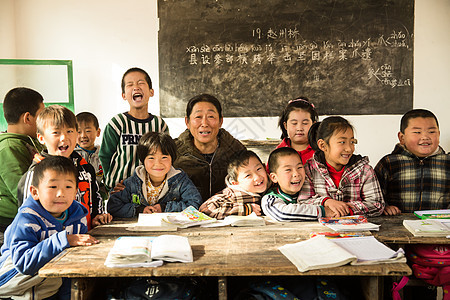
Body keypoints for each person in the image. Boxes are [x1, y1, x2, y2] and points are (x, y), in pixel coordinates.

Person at [0, 156, 99, 299]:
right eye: (53, 187)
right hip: (15, 287)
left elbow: (72, 269)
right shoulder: (27, 219)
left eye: (68, 187)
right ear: (35, 192)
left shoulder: (78, 216)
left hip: (50, 289)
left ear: (76, 191)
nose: (61, 193)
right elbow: (23, 263)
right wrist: (63, 240)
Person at [17, 105, 112, 229]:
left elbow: (94, 196)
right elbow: (27, 217)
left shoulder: (85, 167)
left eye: (70, 131)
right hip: (49, 243)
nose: (64, 137)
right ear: (41, 138)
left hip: (85, 239)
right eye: (56, 132)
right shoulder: (36, 172)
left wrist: (97, 216)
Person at [99, 67, 169, 192]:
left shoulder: (159, 125)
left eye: (141, 83)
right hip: (120, 190)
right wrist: (112, 181)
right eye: (130, 84)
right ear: (124, 95)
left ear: (151, 92)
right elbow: (105, 156)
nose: (136, 87)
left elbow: (166, 156)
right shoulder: (117, 123)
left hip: (150, 192)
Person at [298, 116, 385, 217]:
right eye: (342, 142)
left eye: (352, 142)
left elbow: (377, 204)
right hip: (320, 230)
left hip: (357, 229)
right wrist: (326, 202)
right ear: (323, 145)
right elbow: (302, 202)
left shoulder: (365, 170)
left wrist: (347, 209)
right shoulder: (309, 170)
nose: (349, 148)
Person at [107, 132, 202, 218]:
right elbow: (113, 206)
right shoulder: (132, 183)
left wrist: (165, 208)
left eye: (164, 157)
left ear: (172, 159)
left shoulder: (180, 180)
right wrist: (138, 210)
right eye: (151, 158)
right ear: (142, 160)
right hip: (139, 231)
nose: (158, 163)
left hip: (172, 230)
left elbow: (195, 204)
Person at [375, 109, 450, 215]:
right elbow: (374, 197)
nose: (425, 137)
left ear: (438, 134)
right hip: (397, 226)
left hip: (439, 227)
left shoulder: (447, 163)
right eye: (417, 132)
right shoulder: (389, 163)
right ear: (402, 137)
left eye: (432, 132)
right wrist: (385, 207)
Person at [174, 94, 246, 202]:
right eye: (198, 117)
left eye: (211, 117)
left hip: (227, 214)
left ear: (220, 121)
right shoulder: (174, 152)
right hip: (185, 215)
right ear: (187, 122)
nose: (204, 123)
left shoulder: (236, 151)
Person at [0, 87, 45, 233]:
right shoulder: (8, 147)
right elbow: (24, 192)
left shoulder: (30, 141)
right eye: (41, 115)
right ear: (27, 118)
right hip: (9, 224)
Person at [262, 147, 332, 221]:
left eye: (299, 167)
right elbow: (282, 213)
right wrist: (322, 211)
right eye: (288, 170)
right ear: (274, 177)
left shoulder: (311, 189)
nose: (296, 174)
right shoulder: (270, 198)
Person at [199, 150, 268, 219]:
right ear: (236, 183)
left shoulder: (272, 182)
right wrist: (246, 209)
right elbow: (205, 210)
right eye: (248, 175)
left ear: (264, 167)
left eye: (258, 169)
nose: (257, 177)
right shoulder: (232, 195)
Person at [275, 96, 318, 164]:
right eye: (294, 123)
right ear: (285, 125)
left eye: (305, 123)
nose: (299, 128)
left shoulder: (320, 151)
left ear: (313, 125)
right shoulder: (278, 153)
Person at [75, 112, 108, 199]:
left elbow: (107, 178)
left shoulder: (102, 154)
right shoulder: (72, 155)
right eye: (78, 132)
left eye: (88, 131)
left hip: (97, 195)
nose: (83, 136)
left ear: (98, 132)